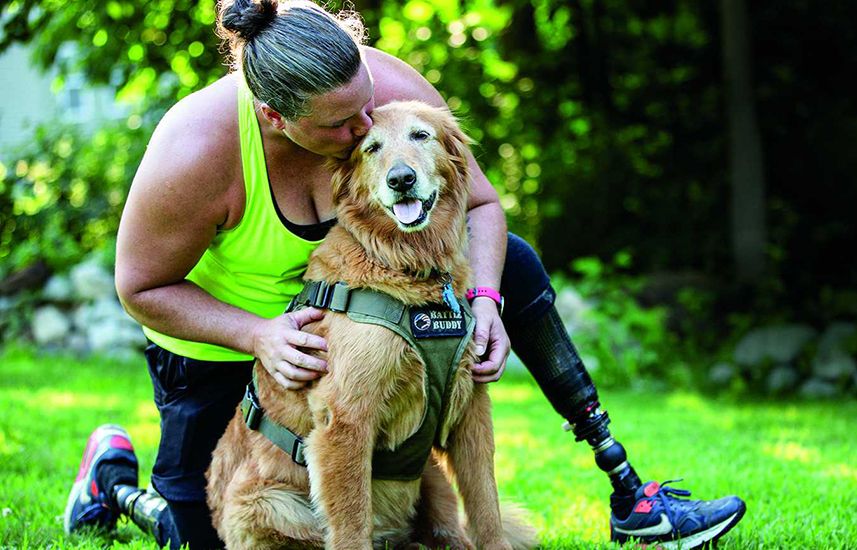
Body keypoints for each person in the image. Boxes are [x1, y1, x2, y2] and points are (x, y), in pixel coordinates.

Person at [63, 1, 745, 548]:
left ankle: (629, 489)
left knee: (518, 261)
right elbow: (140, 287)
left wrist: (481, 301)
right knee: (206, 531)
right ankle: (113, 481)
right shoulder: (197, 150)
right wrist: (257, 335)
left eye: (367, 104)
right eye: (343, 125)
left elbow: (479, 202)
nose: (367, 126)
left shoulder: (375, 85)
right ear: (275, 117)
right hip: (222, 354)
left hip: (363, 315)